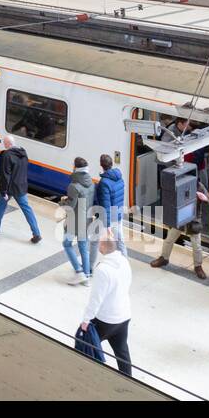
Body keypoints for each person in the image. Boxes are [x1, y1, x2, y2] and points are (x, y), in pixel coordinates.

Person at [79, 228, 132, 376]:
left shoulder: (103, 269)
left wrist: (85, 321)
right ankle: (129, 381)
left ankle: (87, 375)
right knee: (122, 352)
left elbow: (96, 300)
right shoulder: (124, 261)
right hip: (124, 315)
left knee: (86, 345)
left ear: (102, 247)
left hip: (106, 320)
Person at [0, 137, 41, 243]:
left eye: (4, 143)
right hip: (21, 186)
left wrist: (3, 190)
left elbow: (5, 175)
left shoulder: (7, 155)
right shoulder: (23, 153)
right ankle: (36, 233)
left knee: (0, 206)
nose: (3, 145)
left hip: (9, 187)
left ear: (8, 144)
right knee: (27, 209)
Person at [61, 157, 94, 284]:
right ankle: (86, 277)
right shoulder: (91, 183)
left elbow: (70, 206)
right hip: (87, 220)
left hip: (74, 221)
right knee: (83, 247)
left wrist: (62, 201)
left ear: (75, 168)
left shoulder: (73, 186)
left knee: (67, 244)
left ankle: (79, 271)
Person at [95, 153, 126, 255]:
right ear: (111, 164)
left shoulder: (104, 183)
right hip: (118, 213)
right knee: (119, 240)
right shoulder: (119, 177)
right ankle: (122, 262)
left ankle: (124, 263)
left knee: (116, 242)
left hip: (112, 218)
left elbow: (106, 206)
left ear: (101, 165)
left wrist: (107, 226)